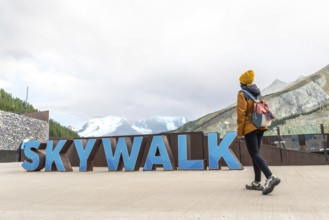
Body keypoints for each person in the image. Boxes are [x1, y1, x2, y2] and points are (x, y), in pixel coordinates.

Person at [236, 70, 280, 195]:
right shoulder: (257, 93)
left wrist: (240, 132)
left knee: (254, 154)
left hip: (250, 127)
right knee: (256, 154)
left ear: (243, 83)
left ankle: (270, 177)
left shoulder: (242, 94)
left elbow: (241, 114)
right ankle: (256, 182)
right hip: (261, 126)